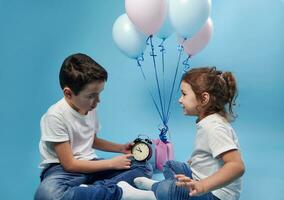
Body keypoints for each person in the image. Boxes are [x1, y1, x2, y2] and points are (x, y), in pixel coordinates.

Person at [34, 53, 152, 200]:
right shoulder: (55, 116)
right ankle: (118, 192)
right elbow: (69, 164)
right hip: (62, 171)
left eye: (99, 94)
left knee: (143, 167)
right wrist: (110, 164)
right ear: (68, 93)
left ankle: (89, 192)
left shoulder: (90, 107)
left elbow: (92, 140)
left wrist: (120, 148)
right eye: (91, 96)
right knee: (46, 195)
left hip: (91, 166)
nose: (98, 101)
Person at [117, 67, 245, 200]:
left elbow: (236, 166)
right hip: (200, 179)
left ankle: (150, 194)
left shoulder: (214, 127)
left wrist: (202, 186)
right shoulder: (208, 122)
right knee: (170, 165)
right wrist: (199, 162)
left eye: (184, 94)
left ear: (204, 99)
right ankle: (161, 187)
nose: (180, 99)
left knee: (169, 190)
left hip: (215, 195)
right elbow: (211, 154)